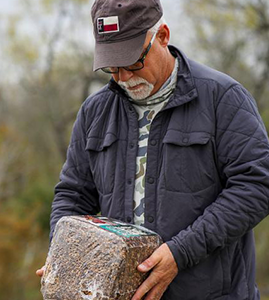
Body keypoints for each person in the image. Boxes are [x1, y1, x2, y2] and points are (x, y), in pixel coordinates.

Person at [37, 0, 269, 299]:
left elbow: (258, 185)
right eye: (112, 66)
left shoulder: (223, 99)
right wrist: (63, 253)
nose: (122, 77)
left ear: (162, 36)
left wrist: (180, 252)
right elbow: (73, 195)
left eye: (132, 62)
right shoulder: (94, 113)